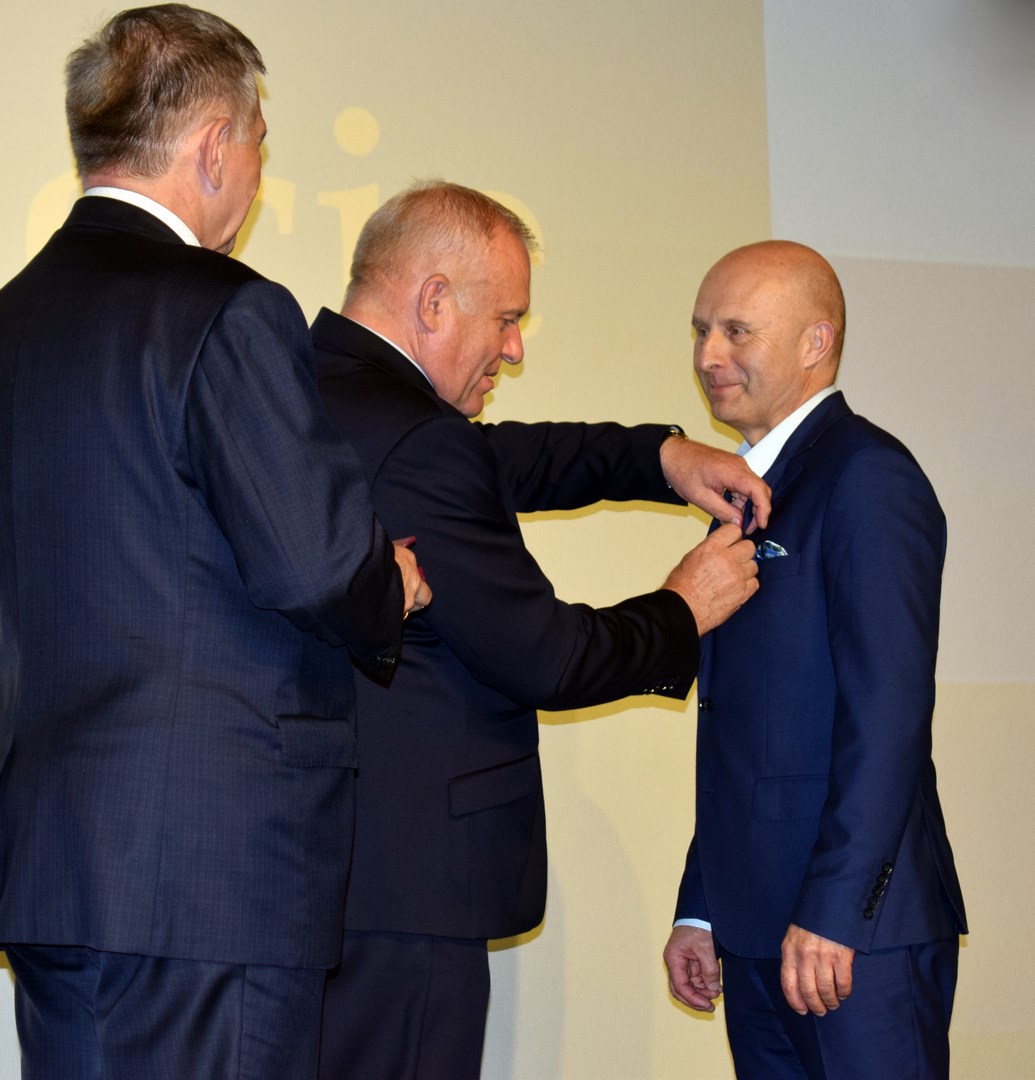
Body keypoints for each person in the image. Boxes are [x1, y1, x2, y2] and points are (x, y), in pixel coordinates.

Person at [0, 7, 427, 1079]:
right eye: (260, 143)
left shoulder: (10, 321)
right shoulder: (224, 311)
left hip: (50, 869)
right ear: (213, 147)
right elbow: (314, 562)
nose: (257, 172)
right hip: (210, 872)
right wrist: (389, 586)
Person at [311, 180, 770, 1079]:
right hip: (408, 898)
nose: (515, 349)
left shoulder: (314, 386)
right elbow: (548, 659)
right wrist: (683, 606)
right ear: (433, 301)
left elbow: (506, 459)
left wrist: (660, 455)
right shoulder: (419, 441)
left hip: (336, 878)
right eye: (507, 319)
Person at [663, 240, 967, 1079]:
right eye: (700, 331)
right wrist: (701, 909)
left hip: (850, 938)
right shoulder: (745, 494)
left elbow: (887, 716)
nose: (707, 355)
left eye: (736, 331)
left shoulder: (867, 476)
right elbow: (741, 729)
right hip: (754, 932)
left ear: (814, 342)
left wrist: (834, 912)